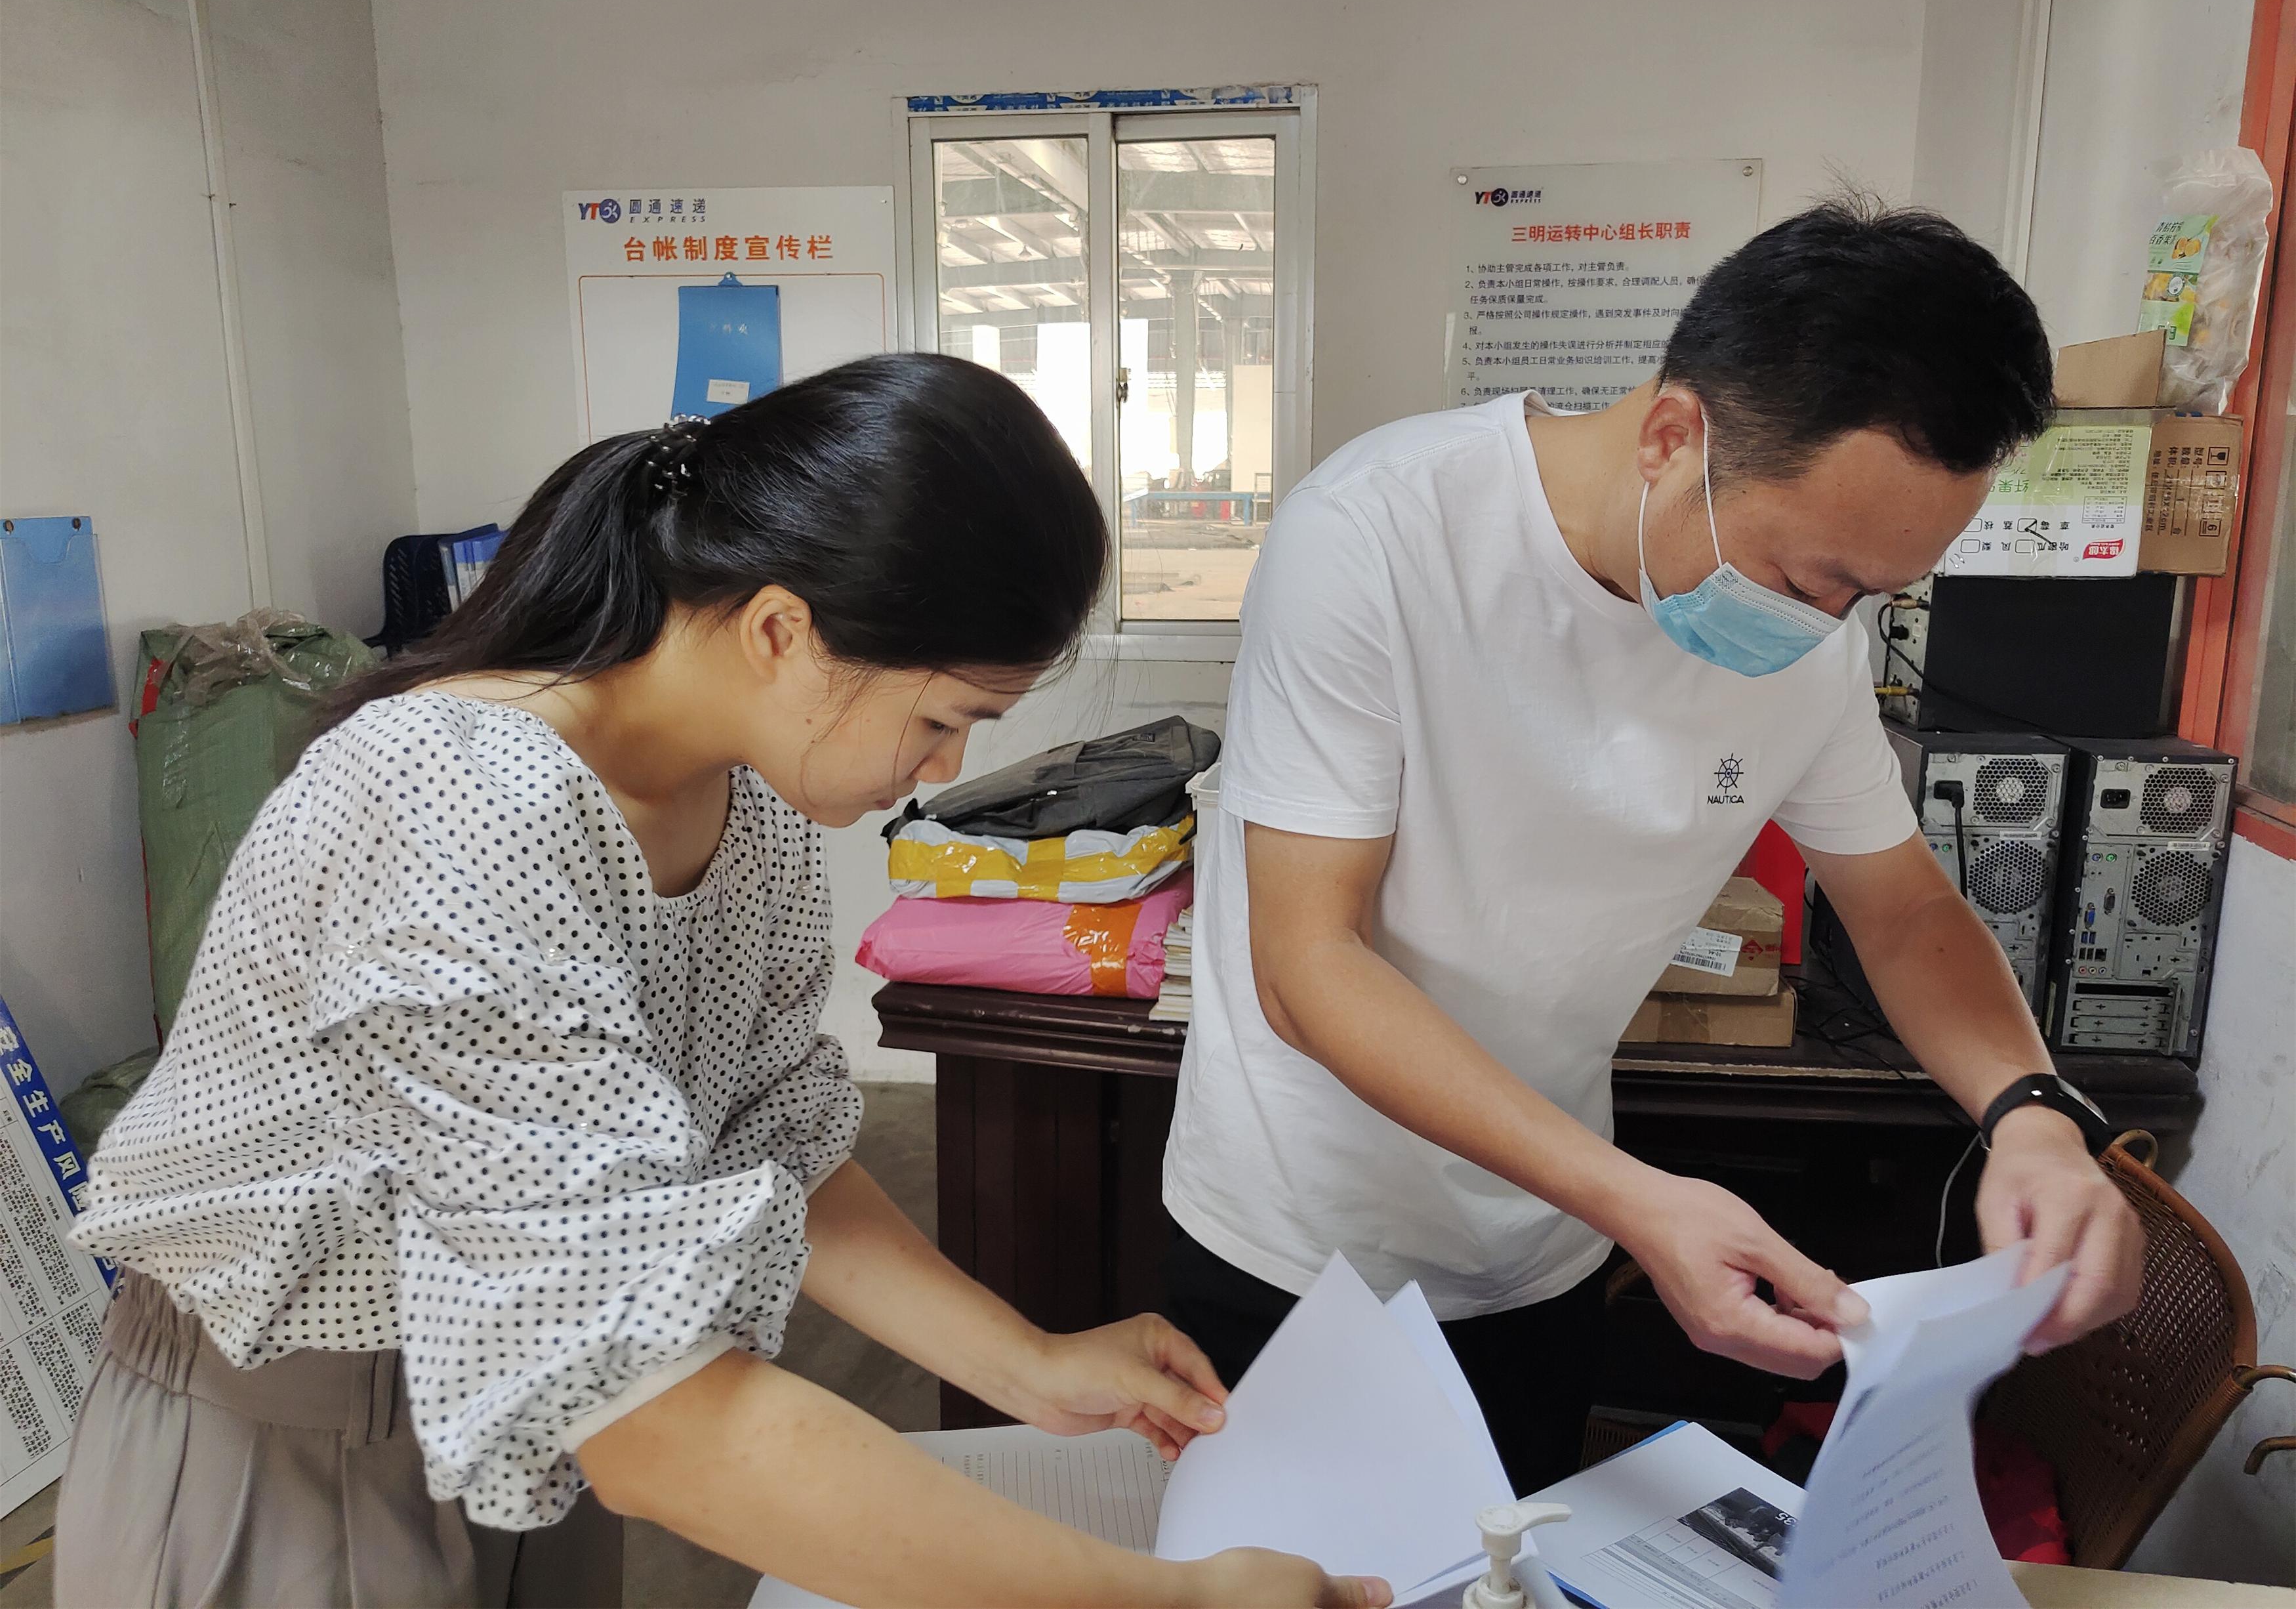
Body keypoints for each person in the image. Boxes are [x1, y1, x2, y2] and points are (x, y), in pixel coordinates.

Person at [58, 355, 1387, 1609]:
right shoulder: (458, 801)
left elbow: (775, 1141)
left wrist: (1024, 1361)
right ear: (780, 628)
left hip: (533, 1431)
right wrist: (1169, 1594)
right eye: (942, 719)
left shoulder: (747, 819)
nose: (942, 768)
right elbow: (653, 1417)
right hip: (291, 1446)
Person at [1160, 199, 2148, 1495]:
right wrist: (1634, 1197)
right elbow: (1308, 964)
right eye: (1809, 578)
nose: (1830, 623)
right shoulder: (1376, 534)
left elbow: (1904, 908)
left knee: (1504, 1562)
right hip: (1298, 1236)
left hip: (1542, 1239)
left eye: (1871, 594)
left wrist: (2030, 1112)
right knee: (1275, 1571)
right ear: (1674, 435)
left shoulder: (1813, 642)